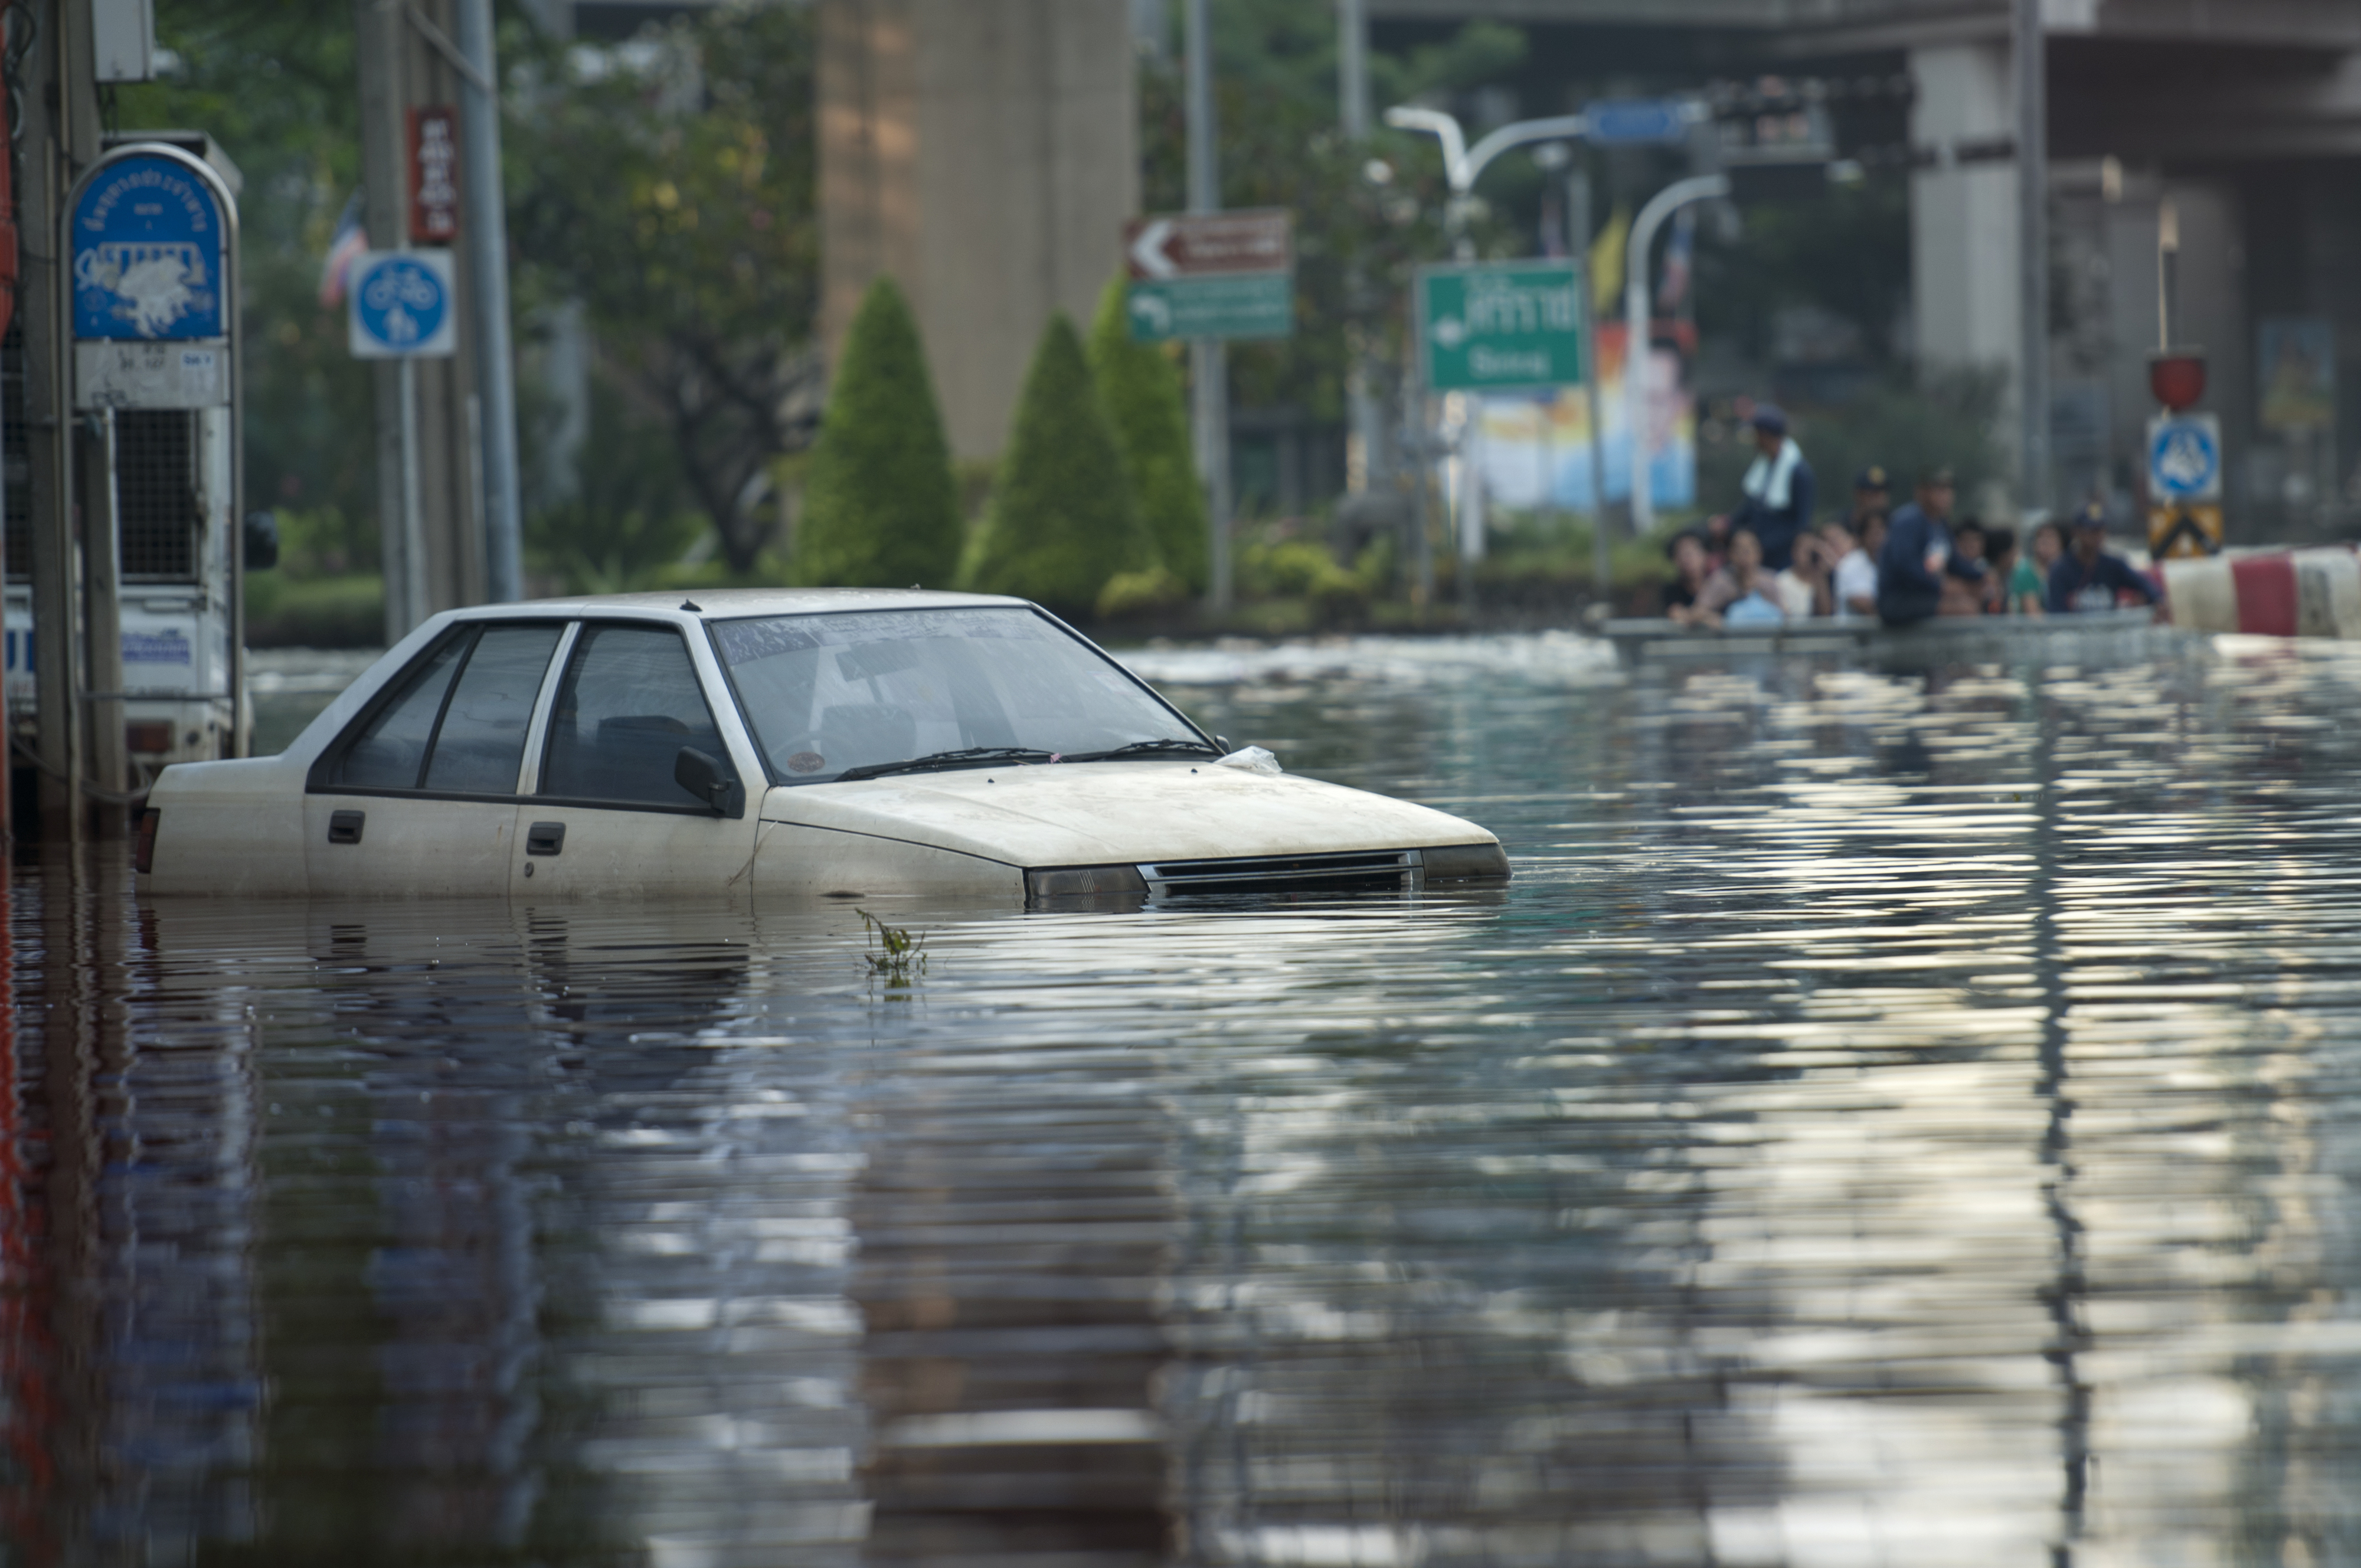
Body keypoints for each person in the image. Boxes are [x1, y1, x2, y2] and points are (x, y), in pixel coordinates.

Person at [1876, 466, 1981, 626]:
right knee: (1963, 609)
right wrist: (1941, 586)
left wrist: (1981, 575)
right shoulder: (1907, 521)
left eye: (1948, 489)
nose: (1946, 495)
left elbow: (1955, 563)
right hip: (1900, 599)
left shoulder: (1941, 525)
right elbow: (1905, 564)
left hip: (1925, 595)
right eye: (1939, 489)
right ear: (1922, 492)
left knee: (1971, 600)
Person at [1731, 404, 1814, 572]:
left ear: (1766, 436)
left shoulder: (1799, 472)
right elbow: (1753, 506)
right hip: (1757, 556)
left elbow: (1802, 523)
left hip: (1782, 560)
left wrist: (1765, 543)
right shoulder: (1765, 465)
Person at [2047, 502, 2160, 613]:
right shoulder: (2061, 570)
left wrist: (2144, 600)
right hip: (2073, 631)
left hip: (2109, 630)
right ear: (2076, 532)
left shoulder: (2113, 565)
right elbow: (2057, 614)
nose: (2097, 536)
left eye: (2101, 529)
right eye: (2091, 530)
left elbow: (2149, 588)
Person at [1719, 527, 1786, 625]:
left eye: (1748, 550)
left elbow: (1785, 616)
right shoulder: (1721, 581)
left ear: (1759, 553)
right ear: (1730, 554)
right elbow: (1698, 611)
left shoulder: (1770, 580)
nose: (1744, 555)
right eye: (1738, 549)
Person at [1663, 529, 1726, 627]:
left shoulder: (1719, 584)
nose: (1688, 559)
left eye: (1693, 551)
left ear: (1705, 555)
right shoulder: (1672, 589)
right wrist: (1704, 616)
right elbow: (1676, 614)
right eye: (1682, 553)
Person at [1824, 515, 1880, 621]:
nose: (1832, 547)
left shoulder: (1889, 560)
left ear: (1853, 539)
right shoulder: (1848, 565)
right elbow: (1864, 606)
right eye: (1827, 542)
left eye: (1836, 539)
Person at [1773, 530, 1832, 618]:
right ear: (1794, 552)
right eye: (1805, 550)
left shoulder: (1825, 578)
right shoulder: (1781, 582)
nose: (1808, 555)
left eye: (1811, 551)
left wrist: (1819, 572)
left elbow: (1825, 613)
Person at [2013, 519, 2063, 616]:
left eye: (2051, 537)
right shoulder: (2025, 571)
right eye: (2041, 537)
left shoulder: (2063, 570)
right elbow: (2033, 615)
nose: (2046, 542)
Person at [1980, 525, 2018, 614]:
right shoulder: (1989, 577)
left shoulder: (2007, 575)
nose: (2016, 553)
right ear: (2002, 554)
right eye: (2012, 549)